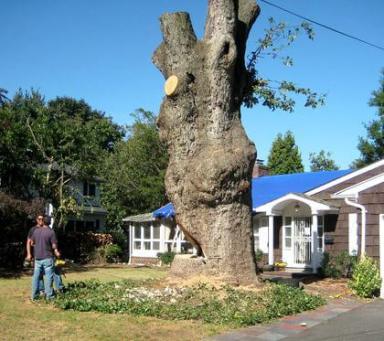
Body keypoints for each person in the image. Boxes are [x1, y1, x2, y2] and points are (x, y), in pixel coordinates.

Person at [29, 216, 61, 300]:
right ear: (50, 222)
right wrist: (57, 252)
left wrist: (38, 246)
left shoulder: (36, 231)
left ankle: (34, 296)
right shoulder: (51, 232)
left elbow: (32, 243)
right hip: (47, 257)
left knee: (36, 277)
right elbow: (54, 246)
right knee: (48, 277)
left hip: (37, 258)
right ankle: (49, 296)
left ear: (43, 221)